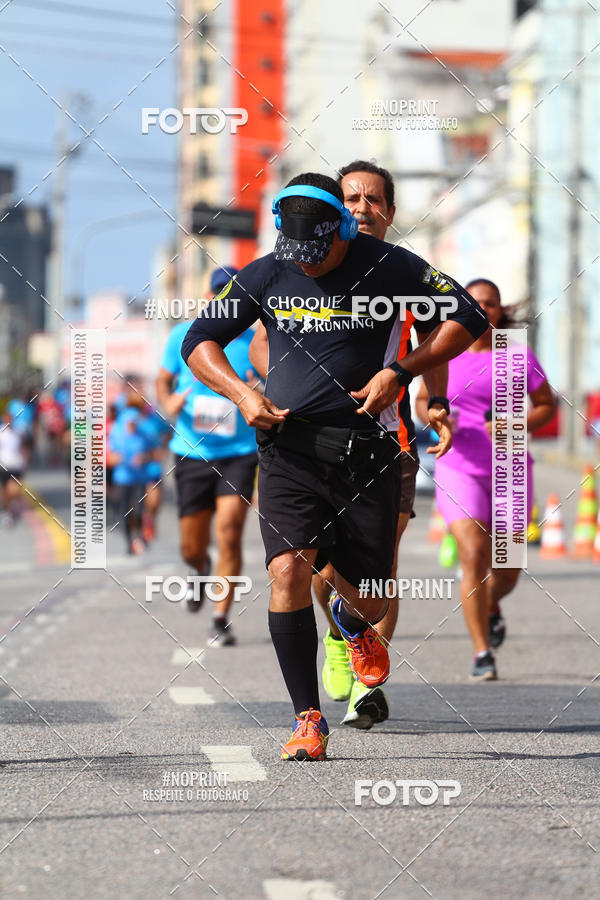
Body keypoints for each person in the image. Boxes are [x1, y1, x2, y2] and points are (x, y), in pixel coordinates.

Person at [182, 172, 488, 761]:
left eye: (322, 254)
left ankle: (352, 624)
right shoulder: (270, 270)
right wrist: (243, 396)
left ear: (345, 229)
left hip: (368, 454)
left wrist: (401, 372)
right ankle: (307, 719)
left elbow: (468, 318)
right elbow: (200, 340)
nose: (311, 267)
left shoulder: (391, 265)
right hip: (289, 450)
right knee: (288, 574)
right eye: (301, 258)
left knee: (370, 596)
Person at [248, 160, 452, 730]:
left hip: (387, 438)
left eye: (372, 199)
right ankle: (325, 683)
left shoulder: (402, 272)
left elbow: (439, 336)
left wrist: (433, 400)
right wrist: (281, 386)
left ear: (389, 210)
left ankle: (354, 632)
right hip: (300, 442)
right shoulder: (293, 270)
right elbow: (263, 342)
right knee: (299, 566)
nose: (361, 207)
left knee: (374, 571)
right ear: (336, 210)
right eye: (351, 198)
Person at [416, 278, 557, 681]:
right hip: (459, 466)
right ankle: (482, 652)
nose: (483, 309)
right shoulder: (444, 349)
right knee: (474, 556)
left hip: (511, 469)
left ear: (499, 311)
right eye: (474, 302)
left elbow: (546, 406)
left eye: (490, 304)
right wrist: (438, 415)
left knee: (507, 568)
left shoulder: (515, 355)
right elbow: (422, 400)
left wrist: (516, 423)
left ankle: (491, 604)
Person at [156, 266, 260, 647]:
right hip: (191, 451)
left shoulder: (254, 341)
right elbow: (163, 379)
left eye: (231, 293)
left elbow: (271, 382)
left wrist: (258, 386)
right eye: (219, 292)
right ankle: (198, 570)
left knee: (230, 532)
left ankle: (220, 619)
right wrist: (169, 401)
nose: (223, 300)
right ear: (208, 296)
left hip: (241, 451)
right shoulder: (183, 335)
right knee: (191, 546)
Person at [108, 407, 151, 555]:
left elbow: (155, 454)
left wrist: (143, 458)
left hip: (140, 478)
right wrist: (118, 459)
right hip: (122, 479)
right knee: (124, 512)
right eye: (130, 422)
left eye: (135, 422)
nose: (133, 425)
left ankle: (138, 536)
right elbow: (109, 458)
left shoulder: (143, 436)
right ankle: (128, 542)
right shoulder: (117, 435)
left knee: (139, 510)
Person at [0, 409, 26, 525]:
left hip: (15, 465)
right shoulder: (2, 433)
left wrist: (24, 462)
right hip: (4, 465)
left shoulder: (18, 433)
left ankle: (13, 510)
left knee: (14, 490)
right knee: (5, 491)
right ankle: (7, 512)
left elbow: (22, 449)